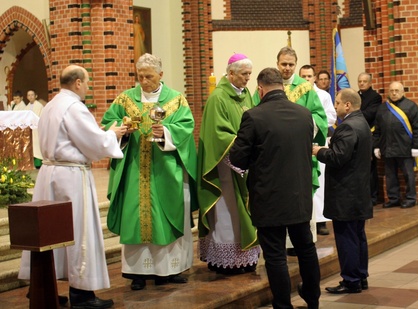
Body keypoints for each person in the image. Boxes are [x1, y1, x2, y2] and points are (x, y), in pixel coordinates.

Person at [18, 64, 127, 308]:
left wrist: (103, 135)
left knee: (50, 232)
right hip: (71, 176)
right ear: (77, 82)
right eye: (87, 82)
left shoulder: (50, 106)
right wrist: (113, 134)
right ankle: (82, 293)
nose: (87, 87)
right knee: (78, 230)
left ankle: (44, 286)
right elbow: (94, 143)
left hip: (49, 173)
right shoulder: (74, 107)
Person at [101, 53, 197, 291]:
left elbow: (186, 127)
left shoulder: (175, 100)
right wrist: (121, 130)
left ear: (161, 75)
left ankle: (168, 271)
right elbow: (108, 124)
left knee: (165, 217)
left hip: (165, 170)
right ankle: (137, 274)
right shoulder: (125, 100)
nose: (143, 81)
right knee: (135, 218)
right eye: (140, 76)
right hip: (134, 170)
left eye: (149, 76)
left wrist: (165, 132)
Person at [230, 68, 321, 309]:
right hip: (300, 196)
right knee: (306, 248)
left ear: (260, 89)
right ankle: (313, 299)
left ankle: (283, 306)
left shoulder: (254, 116)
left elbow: (238, 159)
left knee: (275, 255)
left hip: (269, 198)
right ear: (282, 86)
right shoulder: (304, 115)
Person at [253, 47, 328, 255]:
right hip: (273, 156)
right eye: (283, 64)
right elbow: (254, 113)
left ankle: (299, 245)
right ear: (277, 63)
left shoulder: (305, 88)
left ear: (296, 65)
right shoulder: (265, 86)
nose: (287, 68)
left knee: (300, 198)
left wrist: (300, 127)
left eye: (291, 64)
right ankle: (279, 245)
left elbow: (320, 118)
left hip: (298, 154)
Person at [197, 53, 260, 275]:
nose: (247, 79)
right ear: (231, 73)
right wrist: (242, 152)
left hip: (245, 164)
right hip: (225, 166)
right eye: (244, 74)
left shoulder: (246, 96)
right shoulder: (218, 98)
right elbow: (218, 134)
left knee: (245, 210)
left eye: (250, 75)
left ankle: (246, 257)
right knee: (228, 212)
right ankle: (227, 260)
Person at [312, 88, 373, 294]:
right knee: (358, 236)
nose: (335, 105)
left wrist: (319, 151)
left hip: (346, 193)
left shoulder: (347, 126)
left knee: (346, 237)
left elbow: (338, 157)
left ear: (347, 105)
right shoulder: (362, 122)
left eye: (337, 102)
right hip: (358, 191)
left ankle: (350, 280)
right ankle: (361, 276)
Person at [373, 81, 418, 208]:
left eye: (397, 91)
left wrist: (416, 146)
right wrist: (376, 146)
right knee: (390, 176)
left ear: (403, 92)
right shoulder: (383, 108)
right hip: (387, 147)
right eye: (391, 91)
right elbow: (377, 129)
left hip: (405, 147)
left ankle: (411, 198)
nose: (394, 93)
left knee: (408, 175)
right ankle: (393, 198)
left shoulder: (411, 106)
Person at [299, 64, 336, 235]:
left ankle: (321, 221)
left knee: (319, 182)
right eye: (303, 76)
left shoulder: (323, 95)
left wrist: (310, 122)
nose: (306, 79)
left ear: (314, 78)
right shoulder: (294, 93)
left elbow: (330, 116)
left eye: (309, 76)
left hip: (317, 141)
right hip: (298, 143)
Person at [357, 72, 382, 205]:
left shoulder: (375, 97)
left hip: (369, 134)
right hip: (357, 135)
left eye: (364, 81)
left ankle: (372, 196)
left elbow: (370, 114)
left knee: (370, 169)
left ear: (370, 83)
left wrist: (354, 113)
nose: (361, 83)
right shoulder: (355, 95)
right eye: (360, 81)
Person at [26, 90, 45, 168]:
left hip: (37, 129)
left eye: (32, 95)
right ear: (27, 97)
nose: (30, 97)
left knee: (37, 146)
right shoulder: (26, 107)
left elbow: (42, 117)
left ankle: (38, 164)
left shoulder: (40, 106)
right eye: (29, 95)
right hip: (29, 129)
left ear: (36, 96)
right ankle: (31, 163)